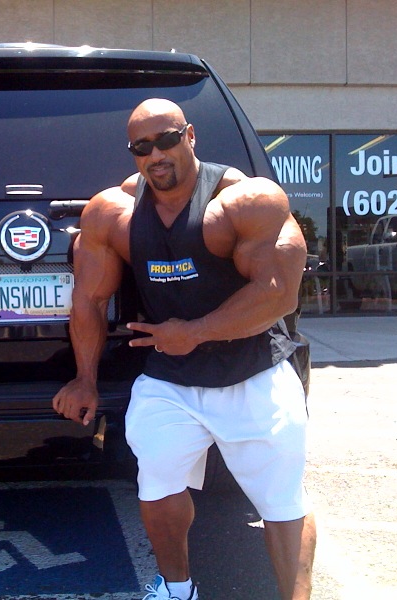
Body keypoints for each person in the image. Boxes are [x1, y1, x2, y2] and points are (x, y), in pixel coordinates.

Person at [52, 98, 316, 600]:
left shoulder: (245, 201)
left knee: (281, 502)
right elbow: (89, 299)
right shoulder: (114, 213)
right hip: (170, 379)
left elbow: (278, 292)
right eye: (142, 147)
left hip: (253, 371)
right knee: (156, 484)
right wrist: (85, 378)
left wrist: (195, 331)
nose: (156, 154)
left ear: (190, 136)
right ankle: (177, 590)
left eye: (167, 140)